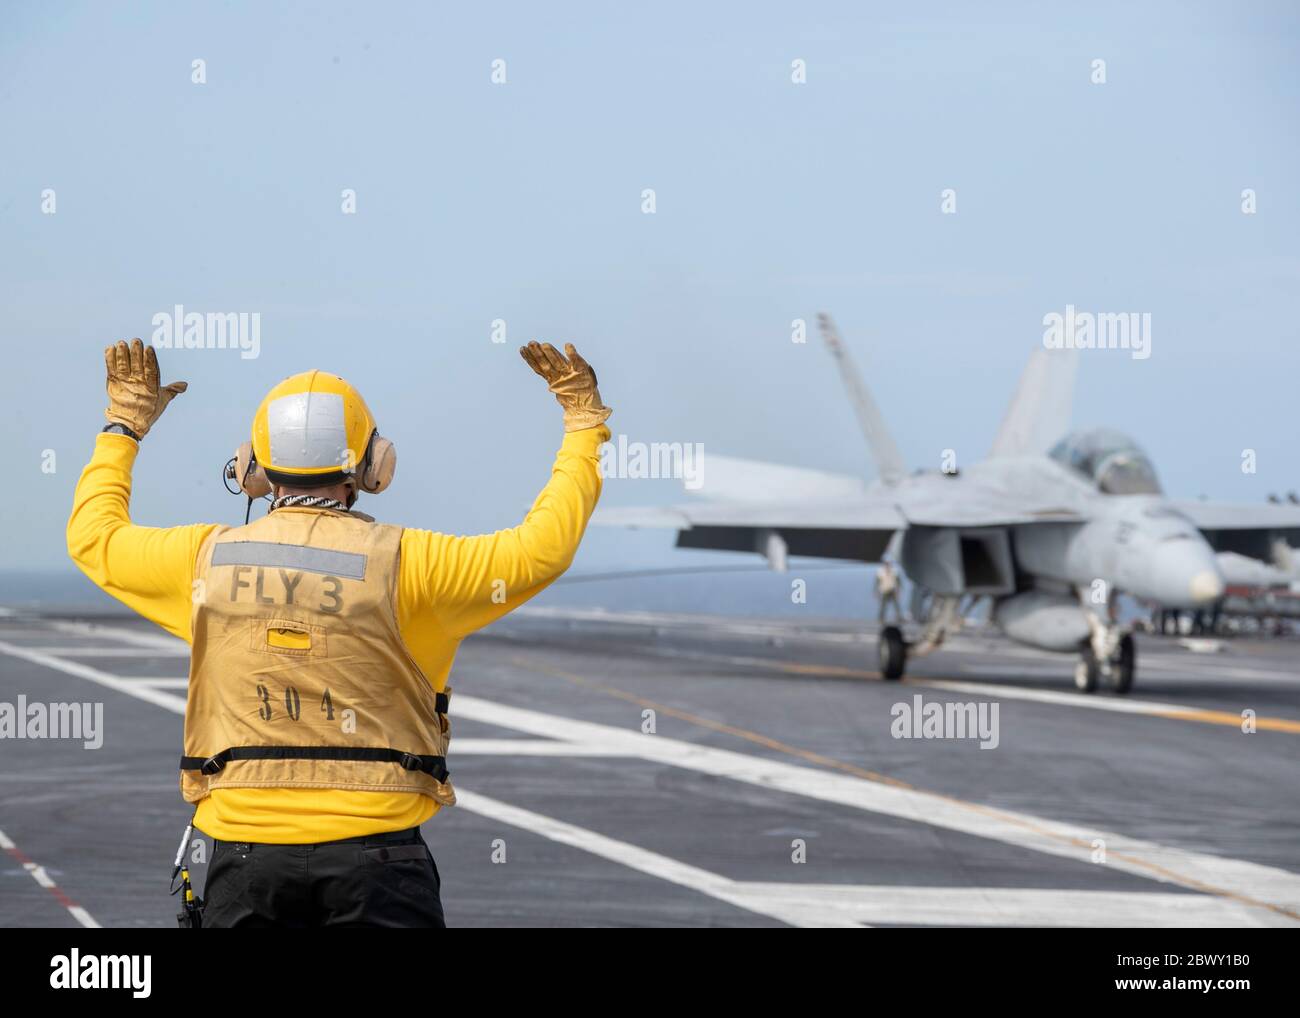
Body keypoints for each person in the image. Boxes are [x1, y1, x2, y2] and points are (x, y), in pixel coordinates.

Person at [68, 338, 611, 927]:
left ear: (250, 469)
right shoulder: (415, 565)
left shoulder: (203, 561)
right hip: (379, 861)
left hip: (245, 862)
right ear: (375, 465)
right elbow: (543, 549)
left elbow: (93, 536)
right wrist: (583, 427)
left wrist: (123, 427)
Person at [875, 559, 902, 624]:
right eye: (886, 564)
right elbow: (877, 583)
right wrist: (877, 592)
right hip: (884, 590)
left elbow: (898, 582)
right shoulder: (880, 572)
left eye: (888, 564)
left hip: (892, 590)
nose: (887, 566)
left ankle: (899, 618)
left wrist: (898, 591)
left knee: (896, 605)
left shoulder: (894, 572)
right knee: (883, 606)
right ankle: (881, 618)